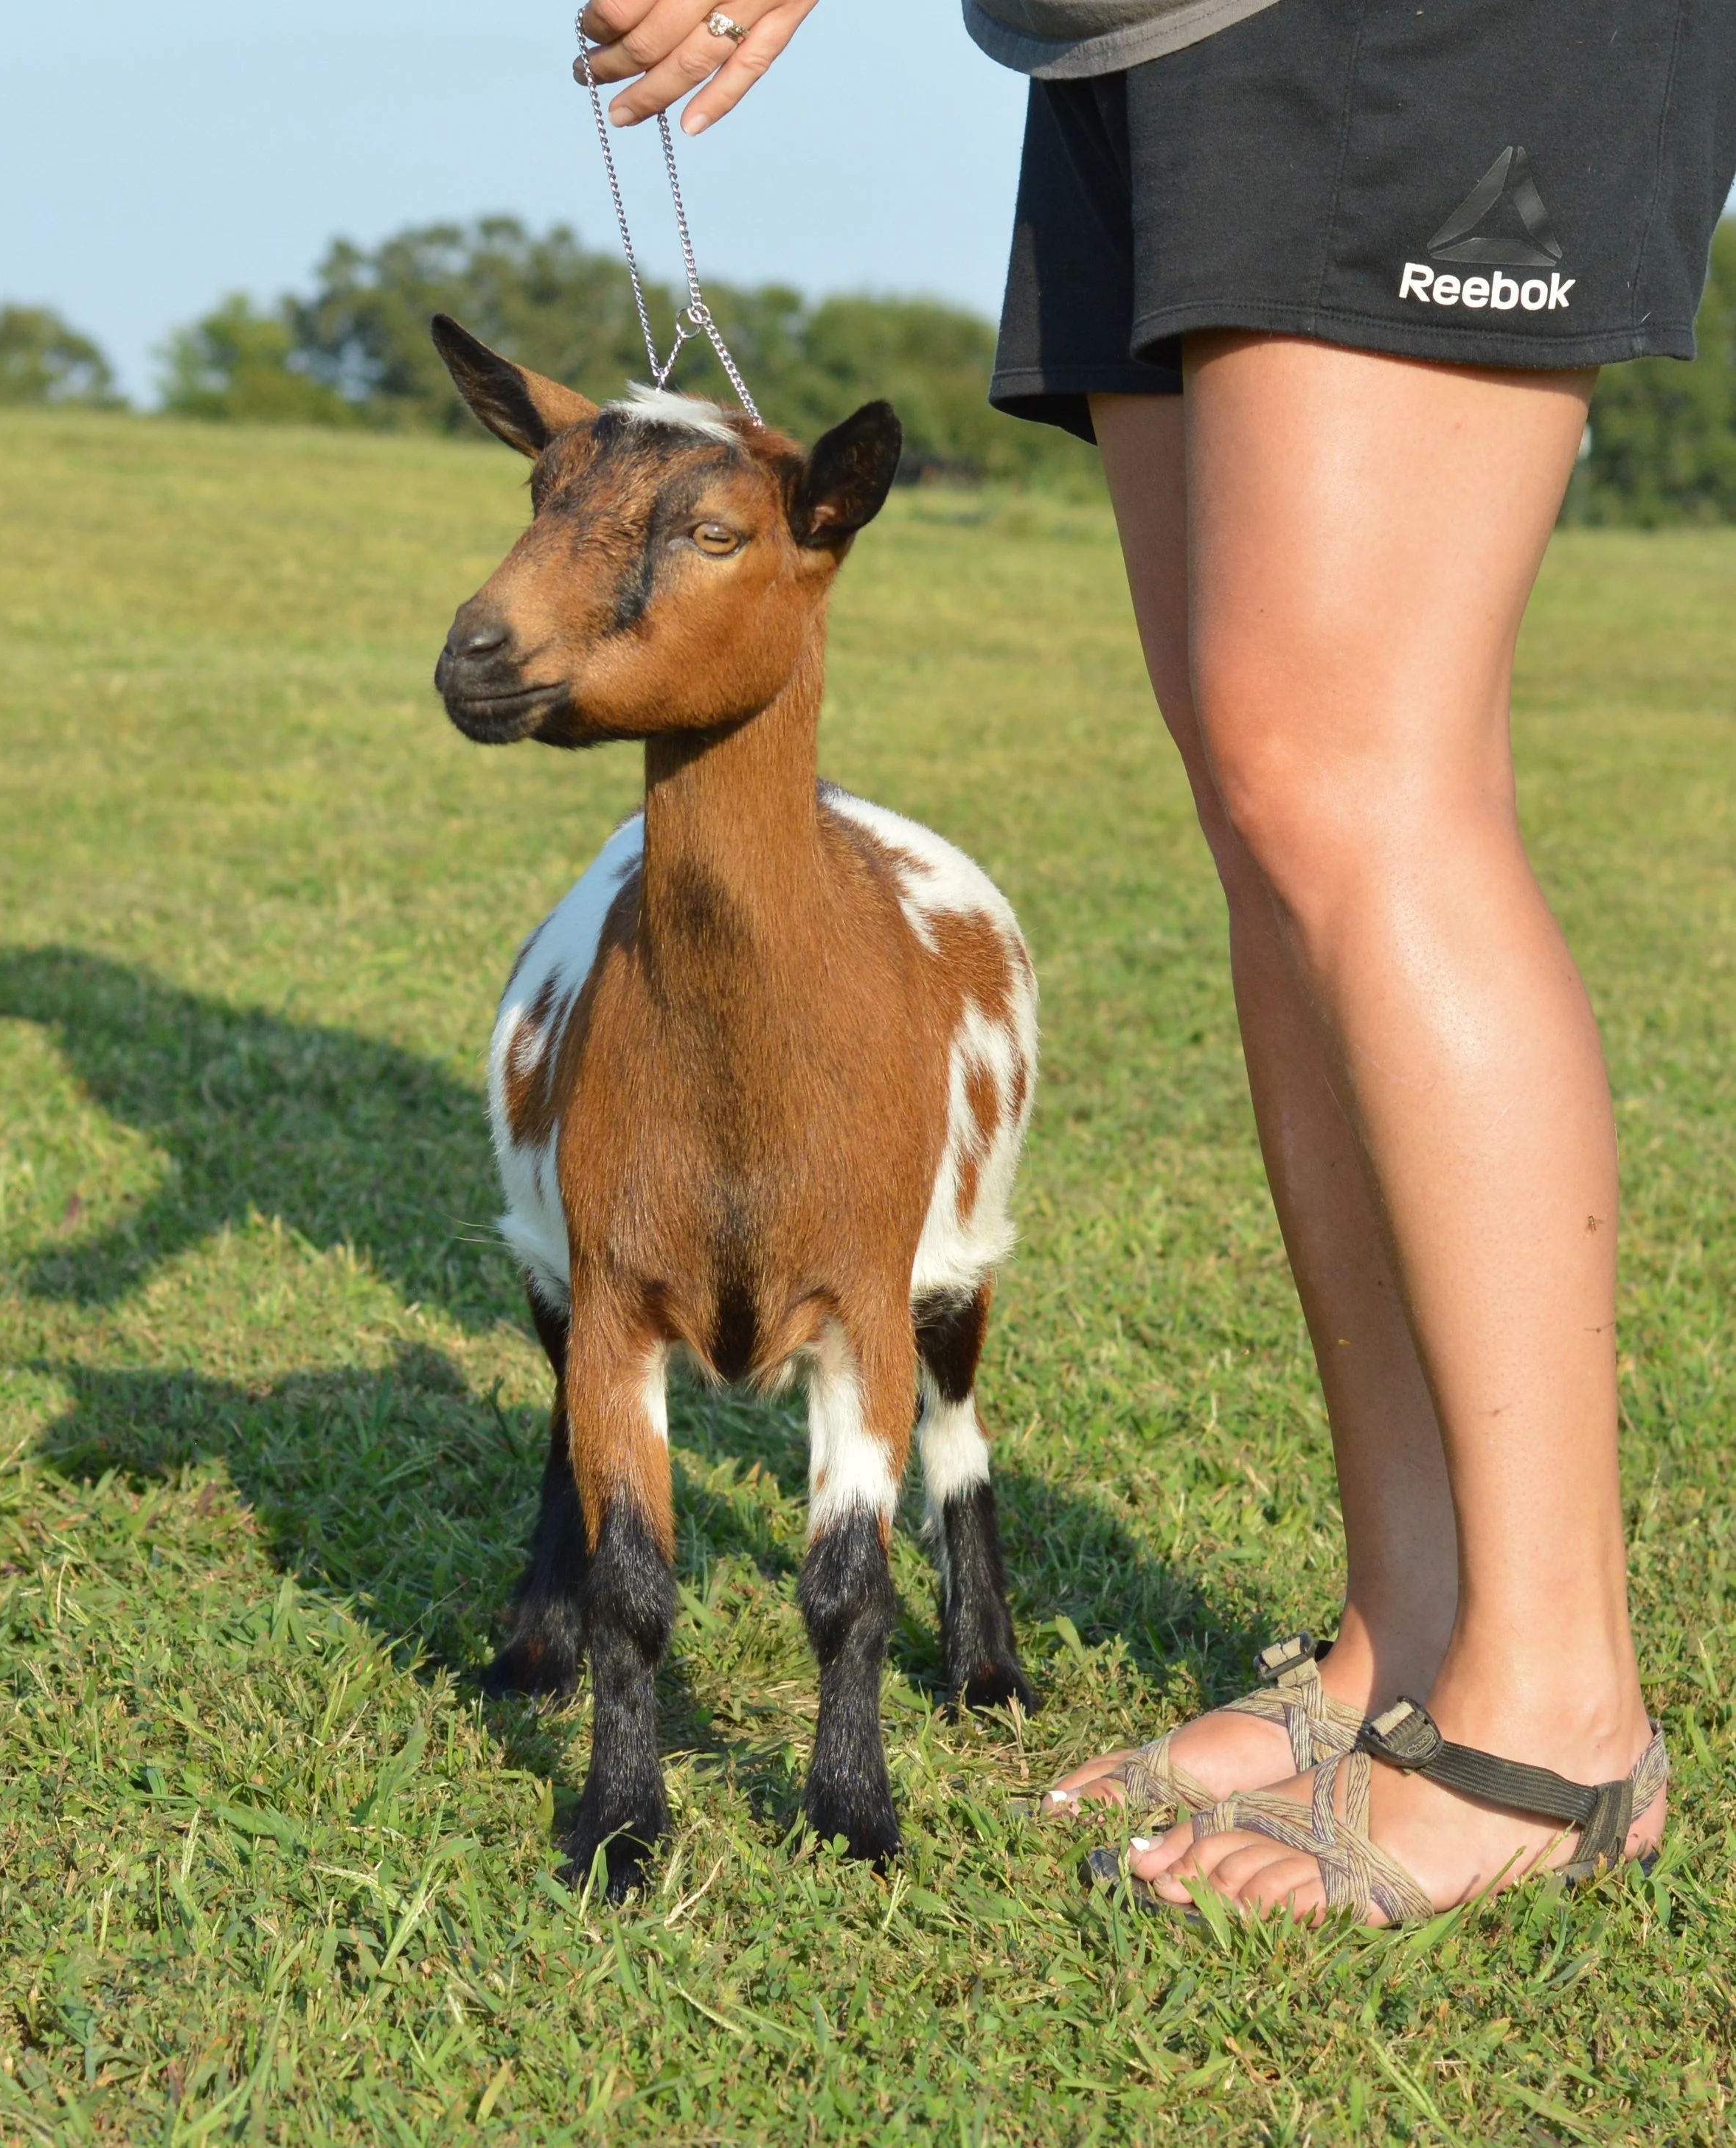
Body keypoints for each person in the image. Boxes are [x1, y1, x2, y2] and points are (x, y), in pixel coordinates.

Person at [573, 0, 1736, 1924]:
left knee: (1349, 778)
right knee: (1273, 810)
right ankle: (1406, 1636)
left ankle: (1558, 1713)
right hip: (1135, 40)